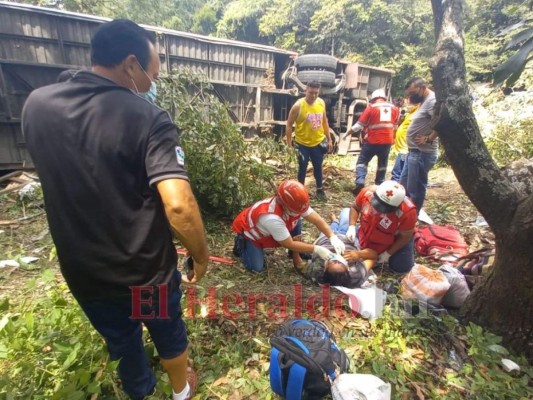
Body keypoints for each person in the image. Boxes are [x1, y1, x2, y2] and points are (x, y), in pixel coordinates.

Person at [22, 20, 209, 400]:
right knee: (168, 333)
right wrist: (200, 254)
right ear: (130, 64)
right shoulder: (147, 118)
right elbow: (178, 204)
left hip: (86, 272)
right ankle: (180, 390)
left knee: (122, 342)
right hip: (145, 274)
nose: (151, 84)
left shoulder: (37, 106)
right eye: (151, 74)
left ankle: (140, 392)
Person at [232, 180, 345, 272]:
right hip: (252, 235)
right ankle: (242, 245)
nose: (300, 212)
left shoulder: (297, 204)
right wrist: (317, 249)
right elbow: (288, 243)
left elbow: (317, 219)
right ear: (282, 203)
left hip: (279, 226)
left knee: (296, 219)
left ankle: (295, 252)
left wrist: (332, 236)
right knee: (256, 268)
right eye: (295, 210)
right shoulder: (271, 218)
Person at [345, 181, 417, 274]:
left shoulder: (408, 211)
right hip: (365, 232)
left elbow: (405, 236)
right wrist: (351, 226)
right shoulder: (367, 192)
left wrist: (388, 253)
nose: (379, 211)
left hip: (392, 240)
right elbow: (355, 207)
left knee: (400, 268)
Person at [299, 208, 378, 288]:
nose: (337, 259)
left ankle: (335, 221)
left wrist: (294, 249)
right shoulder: (355, 274)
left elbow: (299, 265)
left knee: (330, 229)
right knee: (347, 211)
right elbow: (374, 256)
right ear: (348, 268)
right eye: (340, 262)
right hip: (347, 237)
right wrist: (359, 254)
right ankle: (338, 222)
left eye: (333, 262)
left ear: (325, 267)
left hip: (325, 239)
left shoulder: (318, 271)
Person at [344, 89, 400, 196]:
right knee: (382, 164)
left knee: (362, 162)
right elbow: (395, 126)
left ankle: (360, 182)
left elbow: (359, 125)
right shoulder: (394, 108)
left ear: (373, 98)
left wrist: (348, 133)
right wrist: (393, 138)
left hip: (372, 141)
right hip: (387, 141)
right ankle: (379, 184)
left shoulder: (371, 107)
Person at [286, 81, 333, 200]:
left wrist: (329, 139)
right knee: (302, 167)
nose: (313, 95)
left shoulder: (321, 103)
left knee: (318, 166)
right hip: (302, 143)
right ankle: (300, 192)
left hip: (317, 142)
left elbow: (325, 121)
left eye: (316, 93)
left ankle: (319, 190)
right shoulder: (298, 106)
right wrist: (289, 144)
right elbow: (289, 124)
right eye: (311, 92)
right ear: (306, 90)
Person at [400, 77, 438, 212]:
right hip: (414, 152)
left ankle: (412, 219)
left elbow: (441, 121)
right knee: (403, 187)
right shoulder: (424, 101)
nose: (411, 97)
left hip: (422, 153)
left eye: (413, 93)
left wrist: (429, 138)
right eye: (409, 94)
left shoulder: (432, 100)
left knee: (415, 190)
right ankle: (403, 216)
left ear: (423, 88)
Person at [391, 99, 421, 182]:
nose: (407, 102)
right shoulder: (411, 112)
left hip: (405, 145)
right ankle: (397, 179)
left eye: (409, 100)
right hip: (402, 144)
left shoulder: (418, 111)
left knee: (399, 167)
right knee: (401, 164)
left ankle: (396, 181)